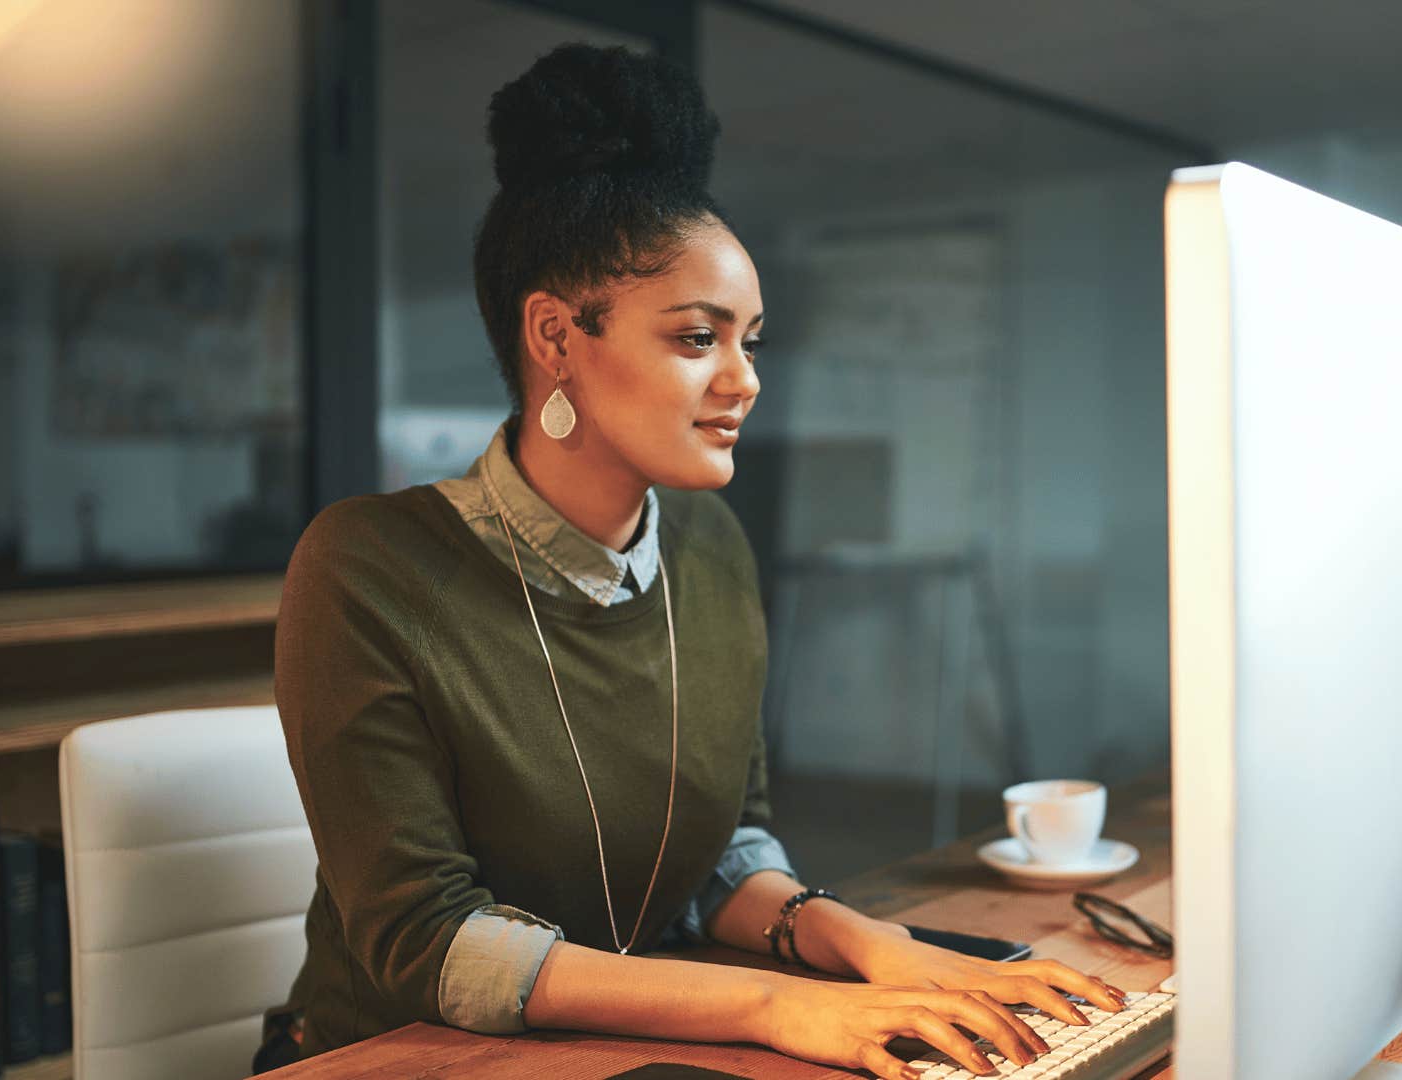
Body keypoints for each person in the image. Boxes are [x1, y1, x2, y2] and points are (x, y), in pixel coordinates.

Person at [256, 43, 1127, 1080]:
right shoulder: (369, 566)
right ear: (556, 336)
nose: (744, 380)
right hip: (400, 1058)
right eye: (697, 338)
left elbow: (724, 853)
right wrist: (768, 1005)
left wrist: (870, 947)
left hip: (626, 1036)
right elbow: (430, 943)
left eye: (751, 339)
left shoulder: (710, 546)